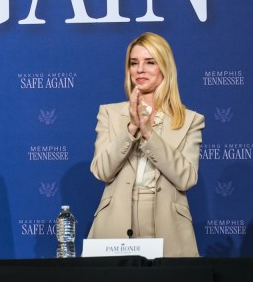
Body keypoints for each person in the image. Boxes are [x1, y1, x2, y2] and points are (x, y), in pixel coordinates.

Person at [87, 32, 205, 257]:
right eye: (134, 63)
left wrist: (149, 134)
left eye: (150, 62)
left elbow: (187, 178)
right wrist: (132, 128)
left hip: (168, 227)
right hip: (116, 223)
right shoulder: (109, 113)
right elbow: (102, 171)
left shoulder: (190, 120)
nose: (140, 69)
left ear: (165, 67)